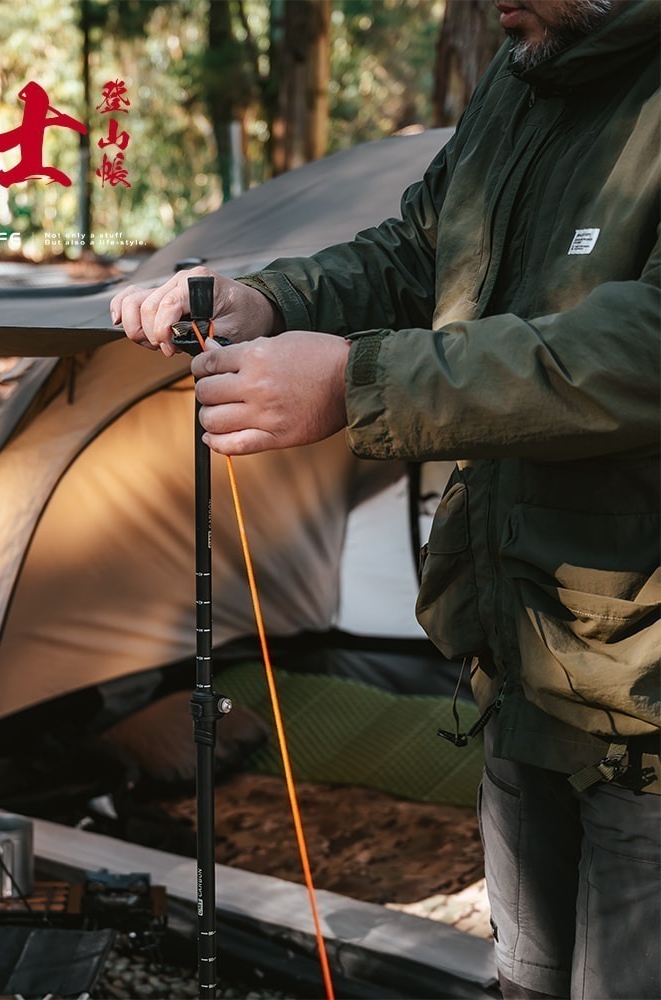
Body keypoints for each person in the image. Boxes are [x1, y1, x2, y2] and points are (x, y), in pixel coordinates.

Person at [111, 1, 660, 997]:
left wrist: (353, 384)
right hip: (525, 657)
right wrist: (269, 298)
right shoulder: (525, 68)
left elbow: (639, 348)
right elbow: (423, 252)